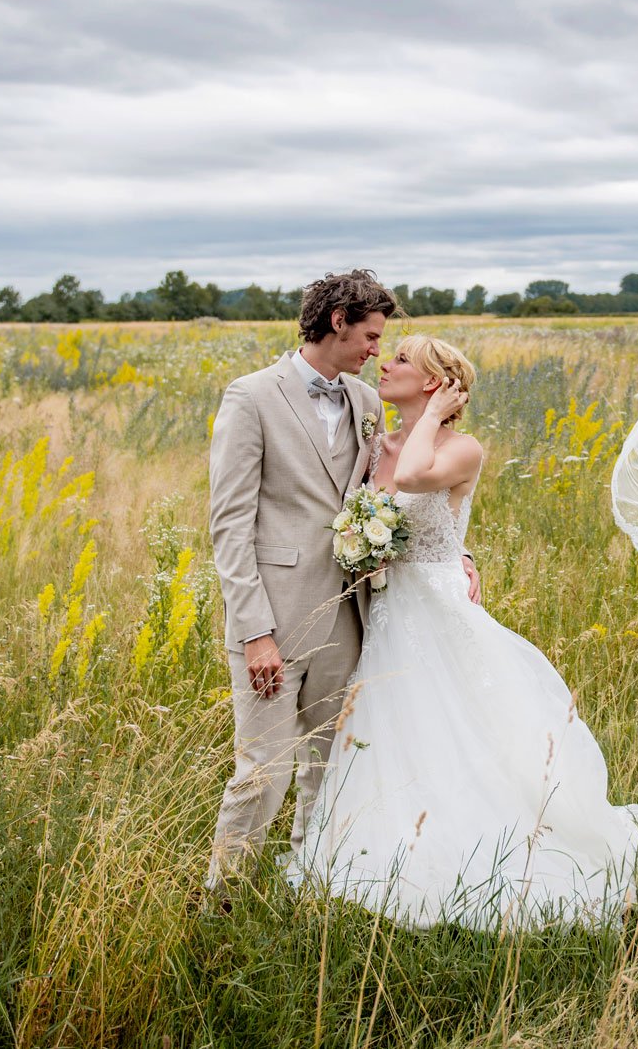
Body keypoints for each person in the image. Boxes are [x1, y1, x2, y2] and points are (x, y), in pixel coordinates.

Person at [290, 334, 638, 928]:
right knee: (391, 723)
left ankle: (476, 844)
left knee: (455, 723)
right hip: (386, 607)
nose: (386, 361)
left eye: (402, 359)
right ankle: (372, 838)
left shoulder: (464, 449)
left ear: (435, 383)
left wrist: (430, 419)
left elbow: (408, 480)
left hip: (435, 605)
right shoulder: (374, 439)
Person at [204, 271, 479, 891]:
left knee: (327, 769)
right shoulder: (251, 397)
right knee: (262, 771)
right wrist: (254, 633)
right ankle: (219, 903)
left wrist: (453, 554)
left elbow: (391, 497)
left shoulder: (364, 402)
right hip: (274, 621)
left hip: (354, 618)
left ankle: (308, 883)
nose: (377, 350)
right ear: (338, 322)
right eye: (373, 336)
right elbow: (229, 524)